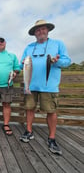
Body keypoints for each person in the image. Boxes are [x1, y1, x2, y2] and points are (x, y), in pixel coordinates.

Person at [19, 20, 71, 155]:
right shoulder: (29, 47)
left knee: (51, 111)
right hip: (30, 85)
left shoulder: (58, 44)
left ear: (48, 30)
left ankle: (51, 138)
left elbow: (67, 62)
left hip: (49, 86)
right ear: (34, 33)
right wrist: (23, 63)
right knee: (29, 108)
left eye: (43, 29)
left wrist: (57, 61)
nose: (40, 32)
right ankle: (29, 131)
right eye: (37, 30)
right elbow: (21, 65)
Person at [0, 37, 20, 135]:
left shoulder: (12, 56)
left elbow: (17, 69)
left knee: (7, 104)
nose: (0, 43)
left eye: (2, 41)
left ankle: (6, 124)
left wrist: (14, 73)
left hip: (8, 85)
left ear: (5, 43)